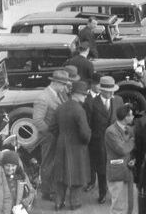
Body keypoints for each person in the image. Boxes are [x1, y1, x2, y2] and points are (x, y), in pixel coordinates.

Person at [51, 80, 91, 211]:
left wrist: (61, 137)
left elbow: (52, 128)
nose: (85, 97)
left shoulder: (60, 108)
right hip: (77, 147)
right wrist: (86, 139)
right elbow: (85, 133)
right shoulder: (79, 110)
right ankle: (75, 203)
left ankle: (58, 202)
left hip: (61, 145)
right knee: (77, 176)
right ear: (77, 94)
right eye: (84, 94)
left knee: (61, 176)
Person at [33, 69, 71, 201]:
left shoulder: (58, 94)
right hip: (49, 137)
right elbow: (37, 120)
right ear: (56, 83)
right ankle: (46, 192)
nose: (65, 87)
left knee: (55, 163)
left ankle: (53, 189)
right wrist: (50, 134)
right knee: (48, 163)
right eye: (63, 84)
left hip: (57, 136)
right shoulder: (43, 98)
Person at [86, 75, 124, 204]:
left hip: (115, 142)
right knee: (102, 170)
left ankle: (115, 195)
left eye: (113, 90)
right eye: (108, 91)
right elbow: (88, 124)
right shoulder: (90, 103)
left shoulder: (118, 100)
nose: (111, 93)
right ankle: (102, 193)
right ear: (101, 90)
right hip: (98, 143)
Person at [104, 105, 135, 214]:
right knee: (118, 206)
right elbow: (122, 149)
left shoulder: (129, 129)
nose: (133, 117)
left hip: (127, 171)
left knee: (128, 204)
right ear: (125, 117)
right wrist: (132, 141)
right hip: (117, 172)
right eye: (131, 115)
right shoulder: (111, 131)